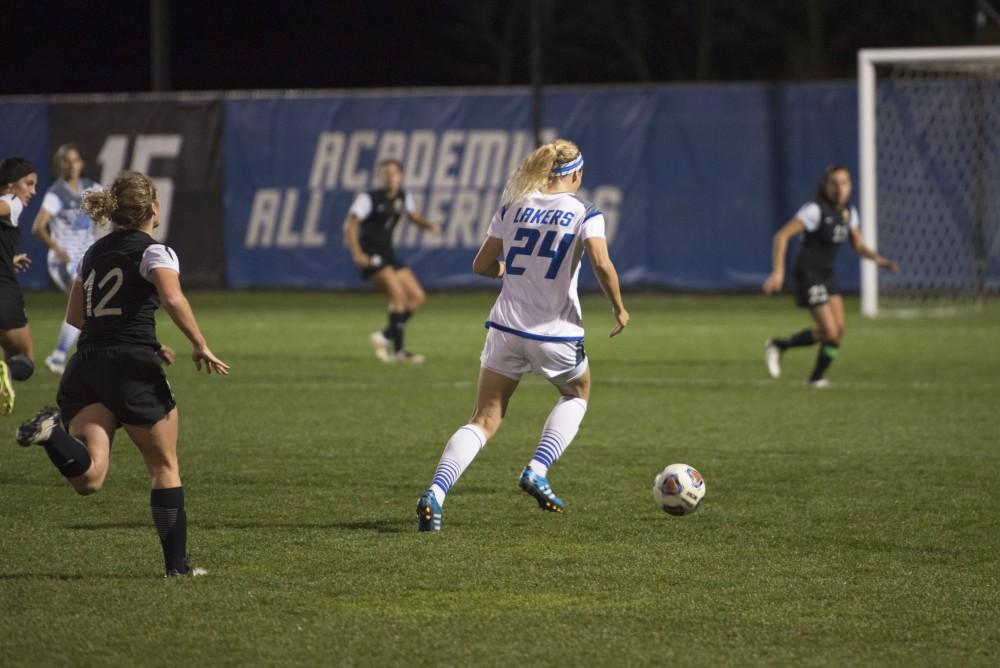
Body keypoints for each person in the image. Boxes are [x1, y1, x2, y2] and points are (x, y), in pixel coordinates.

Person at [16, 171, 229, 578]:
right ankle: (176, 569)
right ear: (152, 208)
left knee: (91, 478)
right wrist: (199, 343)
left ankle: (52, 434)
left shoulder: (93, 253)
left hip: (88, 365)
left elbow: (76, 316)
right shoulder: (155, 252)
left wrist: (141, 338)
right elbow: (172, 297)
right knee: (164, 467)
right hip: (131, 369)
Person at [415, 139, 629, 532]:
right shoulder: (585, 211)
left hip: (505, 330)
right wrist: (618, 306)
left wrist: (507, 273)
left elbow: (482, 265)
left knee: (484, 418)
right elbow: (601, 262)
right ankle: (537, 468)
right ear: (577, 174)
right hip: (556, 335)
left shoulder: (514, 205)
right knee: (576, 394)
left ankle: (435, 493)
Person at [763, 165, 898, 386]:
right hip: (807, 272)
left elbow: (859, 245)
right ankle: (779, 345)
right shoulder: (814, 210)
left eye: (844, 183)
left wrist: (880, 260)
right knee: (829, 330)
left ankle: (816, 378)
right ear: (825, 185)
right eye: (834, 183)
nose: (839, 188)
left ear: (850, 186)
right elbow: (782, 236)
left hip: (827, 274)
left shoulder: (849, 213)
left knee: (838, 332)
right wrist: (778, 271)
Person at [343, 159, 441, 364]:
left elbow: (413, 216)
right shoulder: (369, 198)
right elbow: (351, 225)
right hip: (372, 256)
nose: (390, 176)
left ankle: (385, 337)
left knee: (417, 297)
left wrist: (428, 225)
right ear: (380, 176)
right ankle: (398, 351)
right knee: (399, 298)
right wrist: (357, 253)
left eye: (394, 173)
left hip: (389, 254)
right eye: (385, 173)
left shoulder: (403, 196)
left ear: (400, 176)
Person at [32, 144, 100, 374]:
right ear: (59, 165)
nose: (72, 165)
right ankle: (59, 357)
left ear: (81, 163)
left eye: (75, 159)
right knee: (84, 303)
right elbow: (38, 227)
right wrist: (56, 248)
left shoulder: (91, 187)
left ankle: (67, 355)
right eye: (66, 160)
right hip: (65, 261)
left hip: (86, 258)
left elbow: (108, 208)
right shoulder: (56, 193)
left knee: (89, 306)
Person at [0, 157, 39, 416]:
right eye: (29, 184)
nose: (33, 191)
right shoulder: (12, 202)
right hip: (3, 291)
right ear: (12, 184)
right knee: (24, 357)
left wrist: (8, 257)